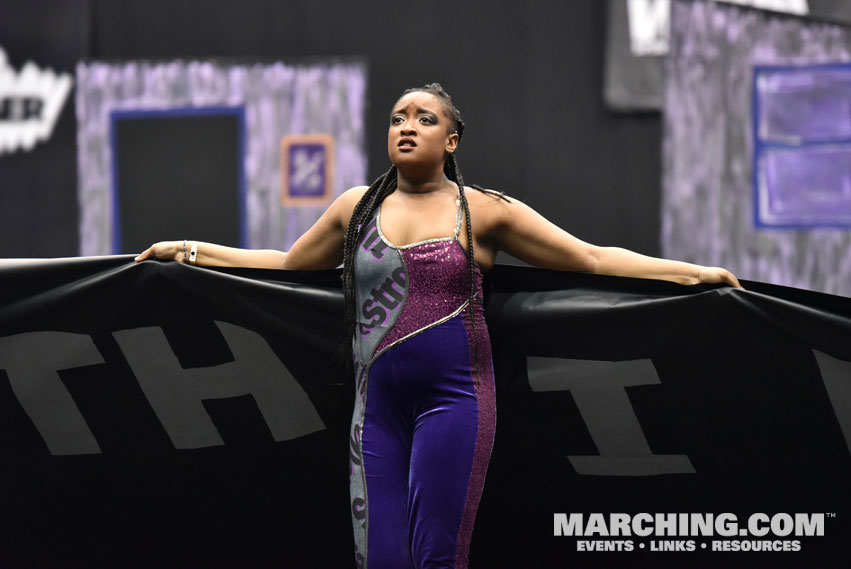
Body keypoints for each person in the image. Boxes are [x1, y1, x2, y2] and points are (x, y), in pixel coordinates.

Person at [136, 83, 741, 569]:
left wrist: (691, 275)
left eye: (424, 119)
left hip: (454, 404)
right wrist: (191, 250)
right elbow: (289, 264)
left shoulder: (482, 210)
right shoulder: (356, 208)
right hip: (376, 414)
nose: (407, 126)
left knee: (437, 558)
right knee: (382, 558)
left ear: (451, 139)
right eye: (399, 117)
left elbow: (590, 258)